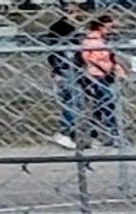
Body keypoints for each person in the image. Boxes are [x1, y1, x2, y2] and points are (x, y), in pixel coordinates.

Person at [80, 14, 128, 149]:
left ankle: (94, 136)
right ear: (100, 27)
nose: (110, 31)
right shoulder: (92, 41)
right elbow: (88, 58)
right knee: (107, 106)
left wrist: (117, 69)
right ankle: (114, 135)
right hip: (95, 77)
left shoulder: (100, 41)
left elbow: (109, 59)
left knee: (100, 108)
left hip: (103, 76)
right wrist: (106, 68)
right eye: (108, 28)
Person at [45, 5, 86, 146]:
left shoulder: (73, 30)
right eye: (74, 13)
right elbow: (53, 54)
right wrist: (56, 71)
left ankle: (73, 133)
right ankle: (65, 131)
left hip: (74, 69)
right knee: (72, 100)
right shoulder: (60, 28)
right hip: (65, 69)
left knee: (77, 101)